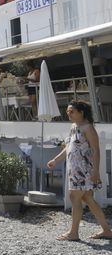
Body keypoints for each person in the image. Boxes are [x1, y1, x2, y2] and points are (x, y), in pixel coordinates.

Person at [47, 100, 112, 241]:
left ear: (81, 112)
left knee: (74, 197)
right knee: (87, 198)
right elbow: (69, 147)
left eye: (71, 111)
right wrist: (56, 159)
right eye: (67, 111)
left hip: (84, 170)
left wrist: (96, 172)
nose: (68, 113)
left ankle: (74, 233)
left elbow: (96, 151)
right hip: (75, 169)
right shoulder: (74, 126)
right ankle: (107, 230)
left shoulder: (88, 128)